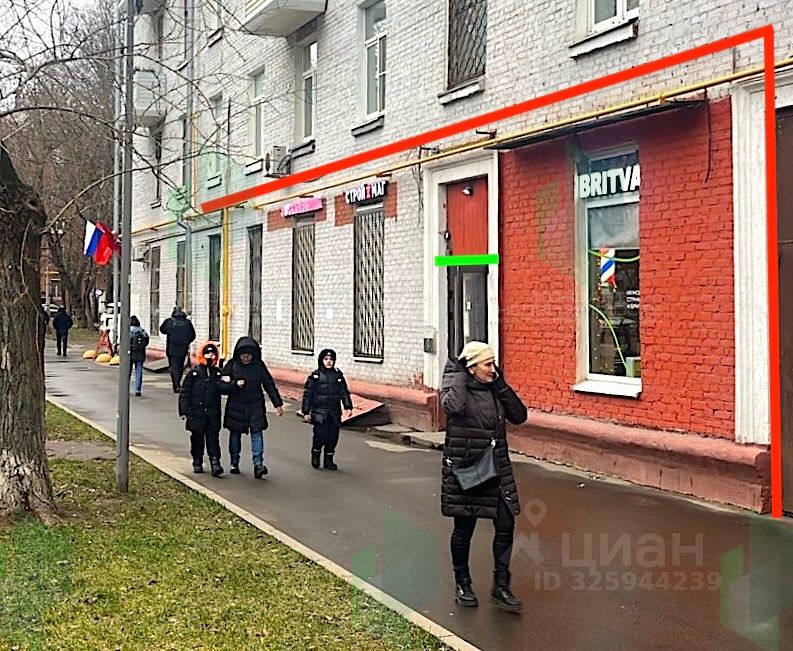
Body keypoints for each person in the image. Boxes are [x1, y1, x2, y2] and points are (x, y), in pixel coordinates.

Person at [441, 341, 528, 613]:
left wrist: (500, 384)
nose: (493, 369)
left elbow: (519, 415)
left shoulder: (494, 387)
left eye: (494, 363)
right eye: (487, 364)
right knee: (464, 529)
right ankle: (463, 584)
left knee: (506, 524)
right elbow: (453, 407)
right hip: (469, 469)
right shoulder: (456, 387)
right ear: (471, 367)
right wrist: (458, 373)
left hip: (497, 469)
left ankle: (501, 586)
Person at [221, 336, 284, 478]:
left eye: (249, 355)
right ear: (238, 354)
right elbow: (222, 386)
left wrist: (277, 404)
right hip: (236, 405)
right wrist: (234, 384)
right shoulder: (232, 365)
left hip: (255, 405)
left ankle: (258, 464)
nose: (246, 358)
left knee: (257, 433)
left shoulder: (259, 366)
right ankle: (234, 462)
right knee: (235, 434)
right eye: (243, 355)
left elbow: (268, 384)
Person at [179, 341, 230, 477]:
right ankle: (197, 461)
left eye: (213, 353)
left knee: (213, 438)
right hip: (196, 413)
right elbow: (185, 393)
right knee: (197, 438)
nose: (210, 356)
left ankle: (215, 462)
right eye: (207, 353)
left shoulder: (217, 373)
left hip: (212, 412)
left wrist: (232, 384)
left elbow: (223, 388)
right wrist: (184, 410)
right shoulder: (194, 374)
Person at [301, 349, 353, 470]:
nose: (329, 361)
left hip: (334, 412)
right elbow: (308, 395)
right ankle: (316, 454)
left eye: (331, 359)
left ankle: (329, 460)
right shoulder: (315, 376)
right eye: (326, 359)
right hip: (320, 412)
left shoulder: (338, 376)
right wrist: (306, 411)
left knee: (333, 437)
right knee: (320, 436)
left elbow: (344, 392)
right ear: (321, 360)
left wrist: (348, 406)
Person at [159, 306, 196, 393]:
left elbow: (162, 330)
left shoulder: (169, 321)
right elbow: (192, 335)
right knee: (180, 366)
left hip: (172, 349)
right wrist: (186, 342)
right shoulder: (187, 322)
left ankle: (176, 385)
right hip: (183, 348)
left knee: (174, 367)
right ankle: (177, 383)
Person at [129, 316, 149, 397]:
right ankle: (138, 390)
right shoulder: (143, 331)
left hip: (130, 353)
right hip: (140, 353)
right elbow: (146, 342)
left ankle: (126, 388)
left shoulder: (128, 331)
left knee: (127, 371)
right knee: (139, 371)